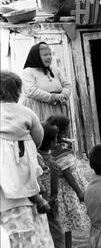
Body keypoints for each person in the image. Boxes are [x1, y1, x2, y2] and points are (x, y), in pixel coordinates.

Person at [0, 72, 66, 248]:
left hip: (5, 203)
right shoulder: (26, 114)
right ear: (18, 92)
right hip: (24, 201)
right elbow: (39, 138)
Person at [0, 71, 50, 214]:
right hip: (22, 155)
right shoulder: (27, 112)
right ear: (18, 91)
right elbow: (38, 135)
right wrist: (32, 148)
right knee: (27, 177)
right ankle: (39, 200)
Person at [45, 115, 90, 248]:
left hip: (62, 189)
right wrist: (79, 192)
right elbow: (67, 173)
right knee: (66, 224)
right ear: (61, 131)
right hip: (67, 191)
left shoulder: (50, 145)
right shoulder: (58, 150)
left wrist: (63, 141)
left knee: (64, 223)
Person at [37, 124, 75, 248]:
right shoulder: (50, 164)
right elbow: (51, 193)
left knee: (43, 247)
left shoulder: (36, 159)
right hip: (49, 210)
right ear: (53, 142)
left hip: (38, 211)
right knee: (57, 246)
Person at [21, 42, 71, 122]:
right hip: (38, 109)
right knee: (42, 132)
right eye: (45, 55)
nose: (49, 57)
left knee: (58, 132)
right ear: (36, 57)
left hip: (57, 108)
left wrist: (63, 95)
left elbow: (67, 85)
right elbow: (31, 91)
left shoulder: (55, 70)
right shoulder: (28, 71)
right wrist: (52, 97)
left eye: (50, 54)